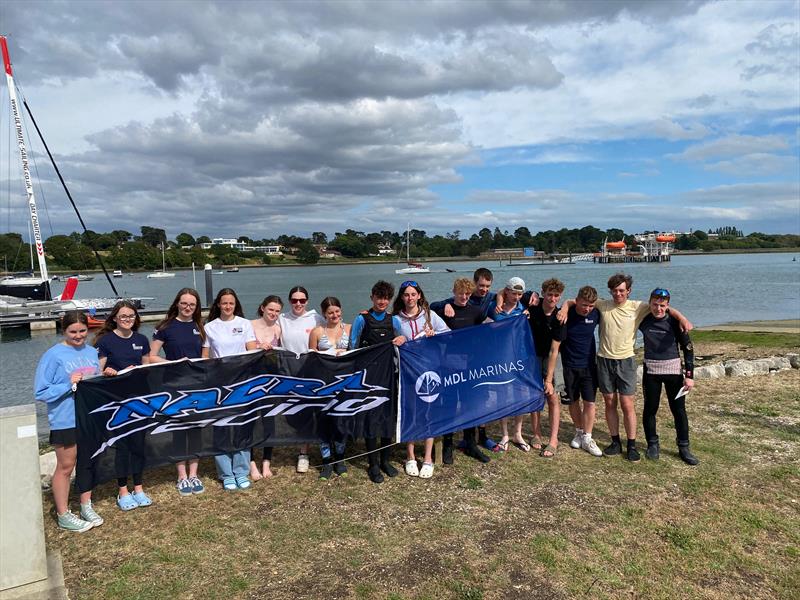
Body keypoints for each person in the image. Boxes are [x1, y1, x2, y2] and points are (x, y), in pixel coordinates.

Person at [558, 273, 691, 462]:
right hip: (604, 360)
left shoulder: (638, 307)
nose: (618, 294)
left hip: (626, 361)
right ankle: (615, 441)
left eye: (621, 290)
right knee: (610, 402)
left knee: (627, 405)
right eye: (614, 290)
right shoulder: (602, 305)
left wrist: (683, 319)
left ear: (628, 291)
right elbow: (578, 301)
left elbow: (664, 307)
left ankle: (631, 444)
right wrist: (564, 307)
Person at [34, 312, 102, 532]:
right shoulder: (53, 356)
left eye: (82, 331)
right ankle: (63, 514)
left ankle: (85, 504)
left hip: (88, 417)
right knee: (66, 466)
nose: (79, 335)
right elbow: (41, 391)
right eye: (73, 331)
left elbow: (96, 383)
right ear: (64, 330)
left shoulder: (92, 352)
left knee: (87, 461)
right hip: (64, 419)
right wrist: (68, 384)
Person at [94, 300, 153, 510]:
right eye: (123, 317)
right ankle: (122, 491)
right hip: (116, 401)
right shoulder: (106, 341)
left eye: (131, 316)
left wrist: (137, 370)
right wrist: (108, 373)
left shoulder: (142, 339)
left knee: (139, 444)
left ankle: (138, 487)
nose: (127, 320)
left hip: (139, 400)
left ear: (136, 319)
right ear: (115, 319)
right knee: (122, 446)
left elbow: (147, 369)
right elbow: (97, 373)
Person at [149, 287, 206, 495]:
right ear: (177, 304)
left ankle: (194, 474)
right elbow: (151, 356)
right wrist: (173, 363)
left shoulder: (200, 326)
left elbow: (205, 356)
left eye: (192, 304)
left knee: (196, 429)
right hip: (174, 386)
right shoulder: (165, 327)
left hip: (197, 385)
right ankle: (182, 475)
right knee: (179, 430)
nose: (188, 307)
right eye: (184, 303)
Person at [349, 280, 406, 484]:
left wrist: (403, 340)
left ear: (390, 300)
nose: (382, 301)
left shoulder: (395, 321)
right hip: (369, 377)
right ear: (371, 297)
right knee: (372, 420)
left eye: (386, 298)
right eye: (378, 297)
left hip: (389, 375)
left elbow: (404, 342)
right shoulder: (361, 319)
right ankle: (372, 464)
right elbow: (352, 347)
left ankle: (385, 460)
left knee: (387, 419)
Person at [202, 288, 258, 490]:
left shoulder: (244, 324)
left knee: (242, 426)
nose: (227, 306)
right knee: (222, 428)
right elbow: (205, 357)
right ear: (218, 304)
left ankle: (241, 470)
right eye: (224, 303)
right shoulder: (209, 327)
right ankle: (226, 473)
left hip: (242, 384)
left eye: (231, 303)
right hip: (219, 385)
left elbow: (252, 352)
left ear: (236, 305)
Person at [393, 280, 449, 478]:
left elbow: (448, 335)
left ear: (419, 296)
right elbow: (388, 343)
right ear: (401, 297)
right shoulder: (396, 320)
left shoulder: (430, 316)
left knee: (428, 413)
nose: (410, 298)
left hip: (428, 372)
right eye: (406, 295)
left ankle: (427, 457)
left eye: (413, 294)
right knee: (411, 413)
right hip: (407, 373)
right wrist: (397, 341)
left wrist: (435, 336)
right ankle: (410, 456)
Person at [431, 277, 491, 463]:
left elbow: (491, 323)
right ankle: (447, 444)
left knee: (469, 403)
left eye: (467, 293)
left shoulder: (476, 311)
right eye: (460, 293)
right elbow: (427, 308)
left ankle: (470, 443)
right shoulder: (444, 310)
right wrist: (444, 305)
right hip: (449, 365)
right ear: (454, 292)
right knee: (449, 403)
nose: (464, 296)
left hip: (470, 366)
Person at [639, 288, 699, 465]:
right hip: (651, 372)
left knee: (679, 411)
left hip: (674, 372)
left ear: (668, 306)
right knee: (650, 409)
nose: (658, 309)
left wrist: (689, 376)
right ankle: (652, 444)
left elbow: (688, 349)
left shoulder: (674, 322)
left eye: (662, 306)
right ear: (649, 303)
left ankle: (684, 447)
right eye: (655, 305)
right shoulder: (643, 319)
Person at [544, 286, 602, 457]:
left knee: (590, 402)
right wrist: (566, 307)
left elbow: (605, 304)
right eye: (584, 305)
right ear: (577, 301)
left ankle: (588, 437)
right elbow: (554, 349)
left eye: (591, 306)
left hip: (589, 367)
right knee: (573, 401)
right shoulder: (565, 316)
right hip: (568, 367)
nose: (587, 309)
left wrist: (566, 304)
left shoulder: (596, 313)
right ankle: (578, 431)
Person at [278, 285, 324, 473]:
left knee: (317, 412)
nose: (298, 303)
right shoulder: (282, 319)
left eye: (302, 300)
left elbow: (333, 326)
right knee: (297, 414)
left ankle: (320, 448)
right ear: (289, 301)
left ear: (307, 301)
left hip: (312, 372)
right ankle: (303, 451)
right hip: (290, 372)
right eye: (294, 300)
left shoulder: (315, 318)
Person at [486, 277, 532, 454]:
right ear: (506, 292)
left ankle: (517, 433)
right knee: (503, 395)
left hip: (519, 358)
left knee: (520, 395)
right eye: (514, 293)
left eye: (520, 294)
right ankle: (505, 434)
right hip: (500, 359)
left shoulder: (524, 309)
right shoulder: (494, 308)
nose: (517, 297)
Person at [308, 296, 352, 480]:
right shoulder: (317, 332)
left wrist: (346, 353)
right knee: (324, 420)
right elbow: (310, 356)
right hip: (324, 382)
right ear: (324, 314)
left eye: (337, 311)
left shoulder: (349, 328)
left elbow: (357, 350)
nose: (334, 315)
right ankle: (326, 460)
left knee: (341, 419)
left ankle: (340, 457)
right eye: (330, 312)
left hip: (345, 381)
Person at [526, 278, 564, 458]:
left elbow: (554, 350)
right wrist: (530, 297)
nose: (552, 298)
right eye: (549, 294)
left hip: (551, 358)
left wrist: (549, 379)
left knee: (552, 396)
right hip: (533, 357)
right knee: (535, 395)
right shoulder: (533, 307)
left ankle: (554, 439)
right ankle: (536, 433)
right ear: (543, 294)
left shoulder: (560, 318)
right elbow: (505, 292)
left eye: (556, 296)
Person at [249, 295, 283, 480]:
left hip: (271, 382)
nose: (273, 313)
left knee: (269, 420)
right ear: (262, 308)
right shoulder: (250, 325)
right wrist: (257, 347)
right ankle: (252, 463)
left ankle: (266, 462)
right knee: (251, 421)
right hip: (251, 380)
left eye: (277, 311)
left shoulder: (278, 329)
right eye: (271, 309)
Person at [430, 267, 497, 321]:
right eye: (481, 285)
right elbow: (432, 306)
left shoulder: (490, 296)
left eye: (488, 286)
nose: (485, 289)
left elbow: (505, 293)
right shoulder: (465, 297)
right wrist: (446, 304)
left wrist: (500, 298)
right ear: (474, 282)